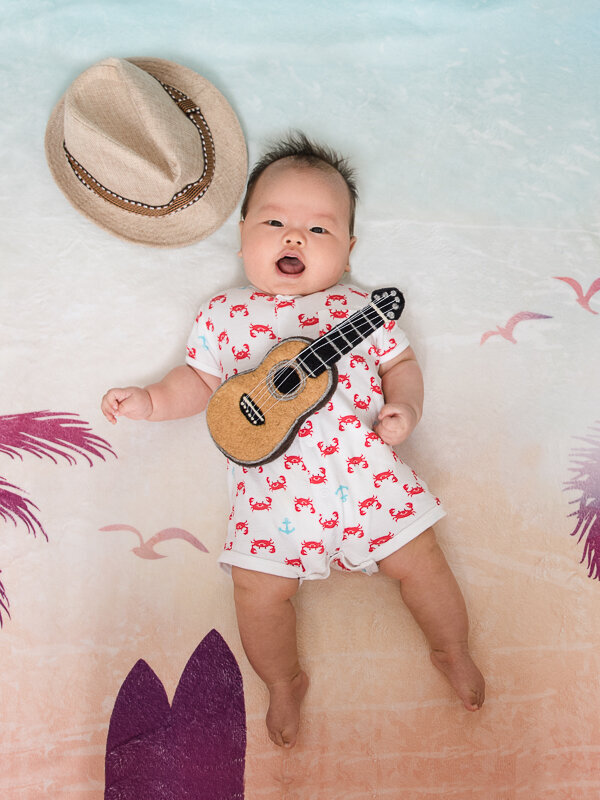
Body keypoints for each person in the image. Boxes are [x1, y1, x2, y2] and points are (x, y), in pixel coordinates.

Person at [101, 133, 485, 748]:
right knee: (255, 592)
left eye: (319, 229)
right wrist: (152, 401)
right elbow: (198, 381)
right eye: (274, 220)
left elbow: (401, 366)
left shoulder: (360, 308)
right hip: (273, 498)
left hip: (370, 477)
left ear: (350, 251)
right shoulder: (222, 314)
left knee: (424, 566)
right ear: (243, 233)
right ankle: (283, 681)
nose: (294, 237)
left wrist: (405, 407)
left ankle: (451, 648)